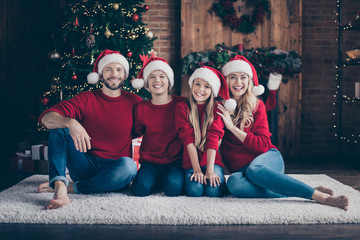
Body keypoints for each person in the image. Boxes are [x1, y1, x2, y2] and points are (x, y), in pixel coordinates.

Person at [217, 55, 349, 211]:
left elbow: (263, 146)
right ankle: (306, 189)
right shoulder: (220, 108)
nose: (238, 82)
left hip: (267, 159)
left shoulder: (257, 106)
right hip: (241, 171)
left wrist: (232, 128)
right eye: (233, 77)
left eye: (243, 77)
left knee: (254, 170)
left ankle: (322, 197)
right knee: (234, 183)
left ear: (249, 81)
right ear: (226, 81)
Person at [37, 49, 142, 210]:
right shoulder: (86, 98)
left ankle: (76, 187)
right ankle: (59, 188)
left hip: (115, 170)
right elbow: (46, 118)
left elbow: (154, 128)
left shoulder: (135, 102)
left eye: (119, 69)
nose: (114, 74)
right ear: (100, 75)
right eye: (109, 69)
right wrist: (71, 122)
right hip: (85, 165)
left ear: (125, 75)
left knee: (129, 166)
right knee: (60, 128)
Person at [175, 66, 236, 197]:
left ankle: (220, 183)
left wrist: (210, 170)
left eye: (207, 86)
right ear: (191, 86)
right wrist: (196, 170)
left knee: (212, 191)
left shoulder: (217, 109)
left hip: (212, 162)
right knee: (194, 191)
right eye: (197, 84)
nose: (200, 90)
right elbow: (188, 139)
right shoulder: (182, 107)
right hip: (191, 163)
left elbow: (213, 139)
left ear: (212, 91)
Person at [130, 56, 186, 197]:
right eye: (152, 77)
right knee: (139, 190)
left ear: (169, 82)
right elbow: (135, 132)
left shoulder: (182, 103)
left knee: (173, 188)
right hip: (150, 162)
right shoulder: (142, 108)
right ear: (147, 84)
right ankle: (154, 180)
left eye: (162, 76)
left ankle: (165, 181)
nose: (157, 80)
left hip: (175, 162)